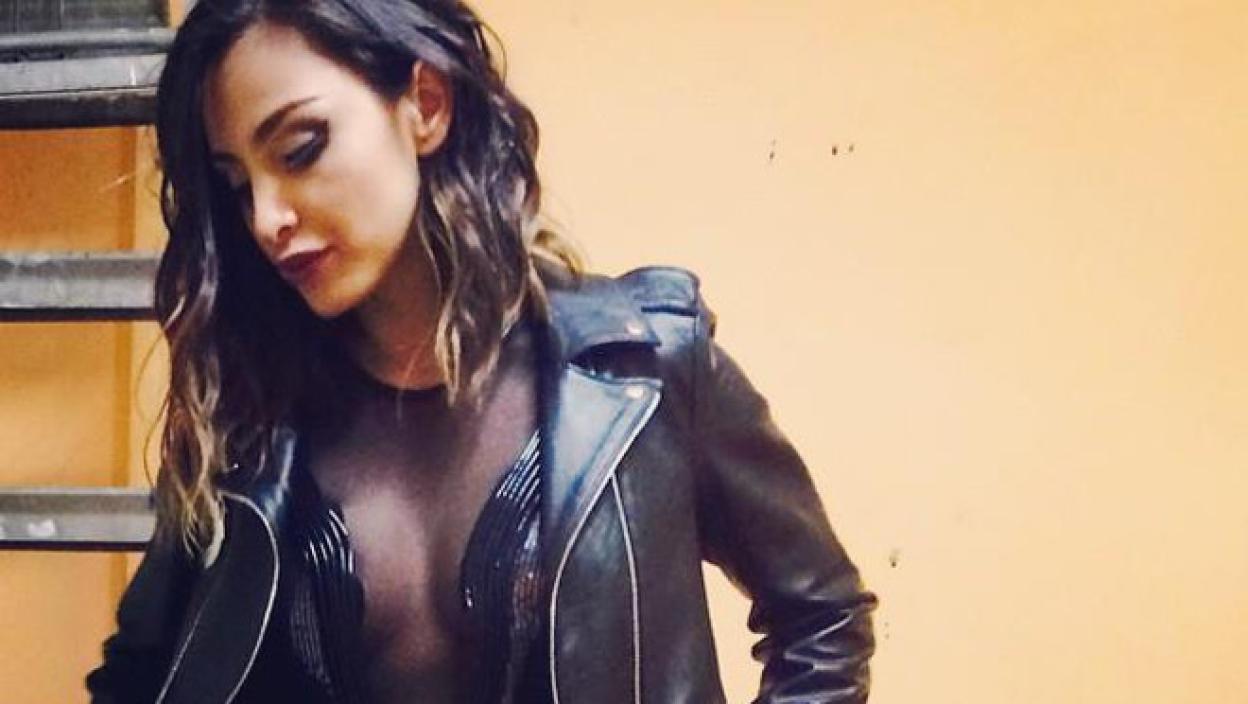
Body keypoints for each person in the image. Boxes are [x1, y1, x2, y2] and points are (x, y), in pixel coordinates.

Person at [86, 0, 877, 702]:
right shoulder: (247, 424)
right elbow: (136, 676)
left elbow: (822, 620)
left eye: (300, 149)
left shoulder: (643, 374)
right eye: (236, 184)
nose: (266, 217)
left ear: (425, 105)